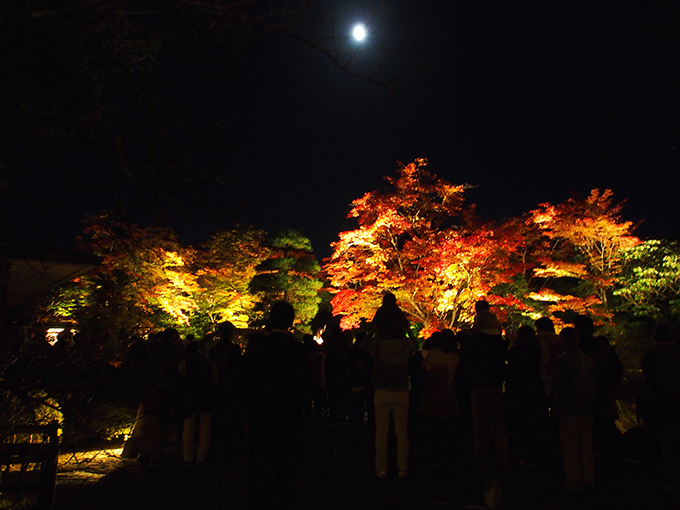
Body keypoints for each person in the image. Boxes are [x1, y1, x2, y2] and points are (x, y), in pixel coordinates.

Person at [243, 301, 313, 510]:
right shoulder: (297, 350)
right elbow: (306, 384)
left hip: (261, 415)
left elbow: (246, 381)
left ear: (270, 319)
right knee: (287, 471)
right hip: (289, 417)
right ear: (291, 322)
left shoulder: (257, 348)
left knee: (259, 470)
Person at [361, 292, 416, 479]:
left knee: (381, 432)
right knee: (402, 433)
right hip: (401, 388)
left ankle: (381, 467)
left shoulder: (378, 342)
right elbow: (415, 346)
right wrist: (407, 329)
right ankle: (402, 468)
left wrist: (373, 329)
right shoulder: (406, 343)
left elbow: (363, 345)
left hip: (382, 387)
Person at [551, 327, 598, 493]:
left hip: (569, 408)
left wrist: (555, 406)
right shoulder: (589, 360)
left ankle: (573, 483)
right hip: (588, 408)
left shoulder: (563, 361)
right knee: (586, 446)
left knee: (570, 447)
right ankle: (588, 479)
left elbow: (559, 387)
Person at [468, 300, 509, 471]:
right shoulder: (501, 345)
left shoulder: (476, 344)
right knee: (499, 426)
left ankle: (481, 461)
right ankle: (502, 459)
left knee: (480, 426)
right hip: (497, 387)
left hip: (479, 386)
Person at [641, 323, 680, 493]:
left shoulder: (650, 357)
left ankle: (674, 482)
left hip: (663, 405)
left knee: (669, 446)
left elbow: (650, 381)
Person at [417, 329, 461, 469]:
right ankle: (448, 456)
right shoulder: (456, 357)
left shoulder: (434, 354)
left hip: (433, 395)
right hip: (450, 394)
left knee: (433, 428)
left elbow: (422, 366)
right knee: (448, 428)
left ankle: (434, 458)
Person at [178, 341, 218, 466]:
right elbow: (215, 380)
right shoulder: (209, 364)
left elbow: (180, 382)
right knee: (205, 428)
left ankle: (187, 456)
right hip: (206, 397)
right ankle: (202, 456)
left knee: (188, 427)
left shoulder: (183, 363)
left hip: (190, 397)